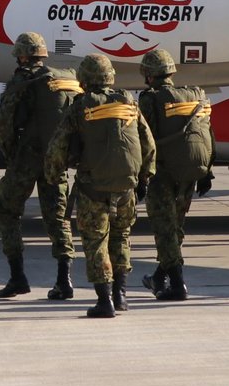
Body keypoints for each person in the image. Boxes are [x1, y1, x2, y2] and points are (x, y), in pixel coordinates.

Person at [45, 54, 156, 319]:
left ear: (84, 79)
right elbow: (148, 144)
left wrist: (52, 175)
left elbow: (58, 146)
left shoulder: (79, 106)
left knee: (96, 242)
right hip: (126, 186)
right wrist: (144, 179)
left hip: (92, 187)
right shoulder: (128, 103)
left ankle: (104, 300)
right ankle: (121, 296)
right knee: (121, 238)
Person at [0, 31, 80, 300]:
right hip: (57, 159)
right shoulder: (63, 80)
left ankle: (17, 277)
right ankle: (64, 280)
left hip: (27, 158)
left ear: (22, 55)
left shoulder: (23, 81)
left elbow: (3, 121)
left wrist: (10, 153)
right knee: (58, 219)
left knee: (6, 210)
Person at [136, 49, 214, 301]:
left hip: (163, 173)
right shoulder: (194, 95)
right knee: (175, 226)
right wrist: (207, 172)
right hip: (189, 172)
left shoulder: (151, 98)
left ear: (148, 75)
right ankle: (159, 277)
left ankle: (178, 285)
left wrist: (141, 176)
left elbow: (145, 140)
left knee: (164, 228)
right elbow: (206, 134)